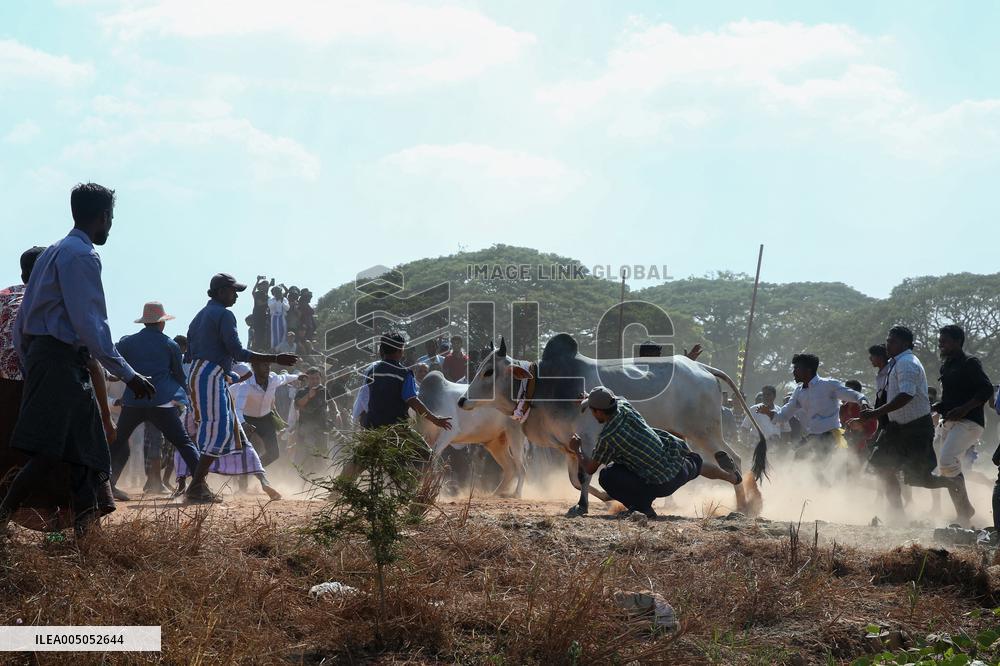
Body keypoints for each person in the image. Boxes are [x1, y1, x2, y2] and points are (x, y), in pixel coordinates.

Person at [0, 183, 156, 540]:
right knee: (48, 453)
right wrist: (128, 374)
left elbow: (22, 324)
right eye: (110, 218)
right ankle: (3, 516)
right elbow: (91, 324)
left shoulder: (53, 252)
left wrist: (32, 363)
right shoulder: (83, 256)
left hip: (49, 361)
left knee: (87, 454)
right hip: (62, 364)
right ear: (103, 216)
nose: (110, 226)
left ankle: (86, 541)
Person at [184, 273, 298, 503]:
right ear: (221, 292)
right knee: (217, 430)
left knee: (228, 429)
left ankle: (201, 483)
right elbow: (237, 351)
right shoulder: (224, 314)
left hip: (205, 374)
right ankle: (195, 486)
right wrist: (275, 358)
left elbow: (192, 352)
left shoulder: (199, 316)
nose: (236, 296)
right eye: (233, 291)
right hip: (210, 375)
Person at [568, 386, 740, 519]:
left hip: (659, 484)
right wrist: (590, 398)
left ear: (598, 411)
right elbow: (615, 398)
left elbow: (590, 468)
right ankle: (732, 477)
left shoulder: (607, 437)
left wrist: (577, 449)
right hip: (675, 463)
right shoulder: (624, 406)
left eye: (591, 410)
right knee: (697, 464)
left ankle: (643, 508)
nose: (591, 414)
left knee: (607, 475)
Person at [856, 325, 955, 522]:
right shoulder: (895, 364)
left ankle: (954, 484)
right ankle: (897, 515)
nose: (887, 344)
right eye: (888, 341)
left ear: (905, 343)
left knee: (920, 479)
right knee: (883, 468)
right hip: (896, 429)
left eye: (891, 341)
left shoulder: (907, 363)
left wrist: (875, 413)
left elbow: (906, 395)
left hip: (916, 428)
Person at [108, 301, 202, 498]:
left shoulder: (127, 343)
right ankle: (199, 487)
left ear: (144, 322)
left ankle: (105, 486)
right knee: (183, 442)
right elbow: (178, 375)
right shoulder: (170, 345)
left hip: (133, 401)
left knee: (117, 442)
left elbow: (113, 361)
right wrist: (188, 398)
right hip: (161, 402)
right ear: (162, 322)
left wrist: (120, 376)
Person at [928, 325, 991, 524]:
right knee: (943, 466)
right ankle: (964, 509)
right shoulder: (946, 366)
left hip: (969, 422)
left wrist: (964, 409)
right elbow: (949, 398)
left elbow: (986, 389)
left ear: (957, 341)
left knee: (947, 461)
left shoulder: (970, 363)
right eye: (940, 341)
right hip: (949, 422)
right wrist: (937, 406)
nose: (940, 344)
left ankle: (965, 509)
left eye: (944, 341)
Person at [769, 353, 868, 461]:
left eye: (797, 368)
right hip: (813, 436)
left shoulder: (828, 385)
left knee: (815, 461)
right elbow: (784, 415)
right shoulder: (798, 391)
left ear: (808, 370)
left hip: (831, 436)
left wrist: (863, 402)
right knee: (799, 456)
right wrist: (769, 413)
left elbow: (855, 395)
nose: (794, 372)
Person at [231, 360, 301, 468]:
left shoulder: (273, 378)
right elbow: (237, 409)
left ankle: (253, 468)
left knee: (274, 454)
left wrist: (297, 376)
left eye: (268, 365)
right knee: (243, 451)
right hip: (247, 421)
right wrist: (243, 423)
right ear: (255, 368)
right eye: (264, 365)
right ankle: (241, 471)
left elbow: (285, 378)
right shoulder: (244, 385)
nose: (268, 368)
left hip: (266, 420)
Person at [268, 285, 289, 350]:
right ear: (273, 293)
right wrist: (277, 300)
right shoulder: (271, 299)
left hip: (282, 318)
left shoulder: (284, 299)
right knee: (274, 334)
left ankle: (281, 349)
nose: (278, 293)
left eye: (279, 292)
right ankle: (274, 348)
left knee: (283, 332)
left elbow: (287, 308)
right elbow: (271, 306)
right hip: (274, 318)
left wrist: (282, 301)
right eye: (276, 292)